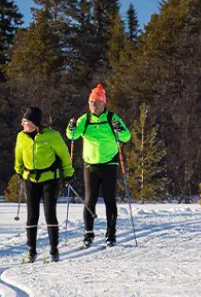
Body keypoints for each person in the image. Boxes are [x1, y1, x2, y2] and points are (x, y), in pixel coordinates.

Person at [66, 84, 131, 247]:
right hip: (91, 165)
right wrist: (71, 127)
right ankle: (88, 234)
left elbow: (126, 137)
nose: (93, 105)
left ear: (103, 103)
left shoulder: (112, 118)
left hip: (110, 163)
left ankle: (111, 234)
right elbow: (72, 135)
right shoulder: (85, 119)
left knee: (110, 200)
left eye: (96, 102)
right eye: (90, 102)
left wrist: (120, 129)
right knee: (90, 201)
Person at [14, 106, 72, 263]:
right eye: (23, 121)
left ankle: (54, 249)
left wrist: (68, 174)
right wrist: (19, 170)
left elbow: (64, 155)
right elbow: (18, 155)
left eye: (26, 121)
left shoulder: (52, 136)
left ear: (35, 123)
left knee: (49, 214)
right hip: (30, 179)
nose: (23, 124)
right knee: (32, 215)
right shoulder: (21, 137)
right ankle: (31, 250)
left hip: (50, 179)